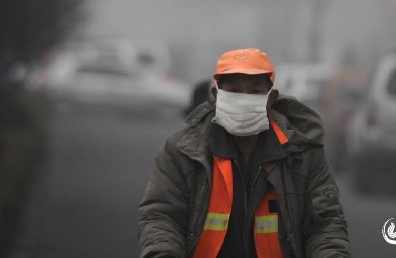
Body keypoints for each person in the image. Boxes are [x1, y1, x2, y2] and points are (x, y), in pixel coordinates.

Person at [138, 48, 350, 258]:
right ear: (216, 95)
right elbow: (162, 217)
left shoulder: (303, 154)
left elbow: (325, 225)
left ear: (271, 98)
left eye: (255, 92)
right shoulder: (181, 152)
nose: (244, 98)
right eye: (234, 90)